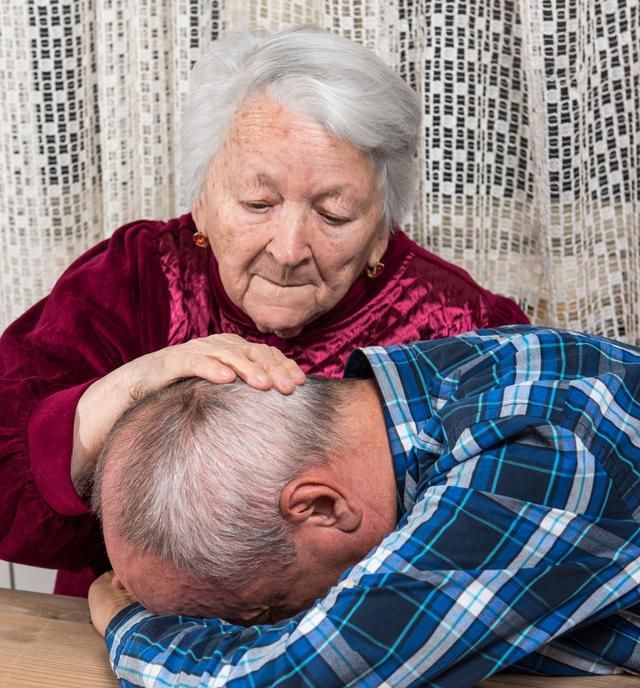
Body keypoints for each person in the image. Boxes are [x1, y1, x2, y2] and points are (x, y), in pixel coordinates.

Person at [0, 26, 527, 598]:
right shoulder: (135, 277)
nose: (289, 248)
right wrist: (129, 387)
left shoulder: (464, 327)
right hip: (125, 628)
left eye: (335, 213)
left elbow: (508, 548)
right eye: (258, 203)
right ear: (201, 203)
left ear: (382, 230)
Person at [89, 325, 640, 688]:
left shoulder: (531, 458)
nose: (258, 629)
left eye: (258, 613)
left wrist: (124, 620)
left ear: (321, 507)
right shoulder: (431, 393)